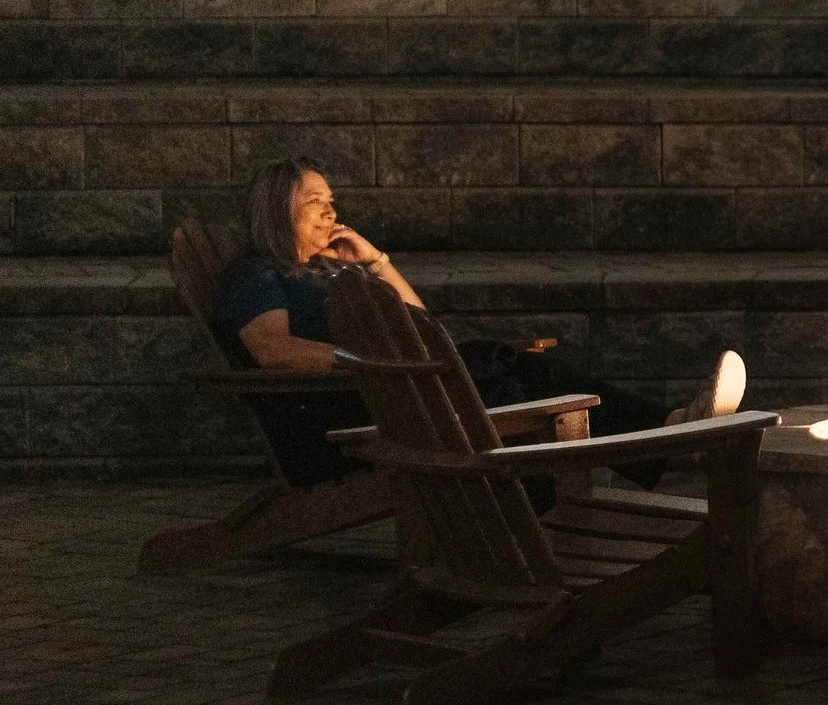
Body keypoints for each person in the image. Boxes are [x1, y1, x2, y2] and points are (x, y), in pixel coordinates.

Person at [212, 156, 720, 491]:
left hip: (395, 397)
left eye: (331, 201)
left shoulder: (328, 272)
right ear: (277, 210)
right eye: (314, 202)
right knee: (515, 383)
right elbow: (274, 350)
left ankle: (671, 432)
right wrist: (373, 362)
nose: (331, 212)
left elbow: (419, 322)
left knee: (526, 377)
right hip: (343, 422)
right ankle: (670, 436)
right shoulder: (257, 274)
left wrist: (377, 264)